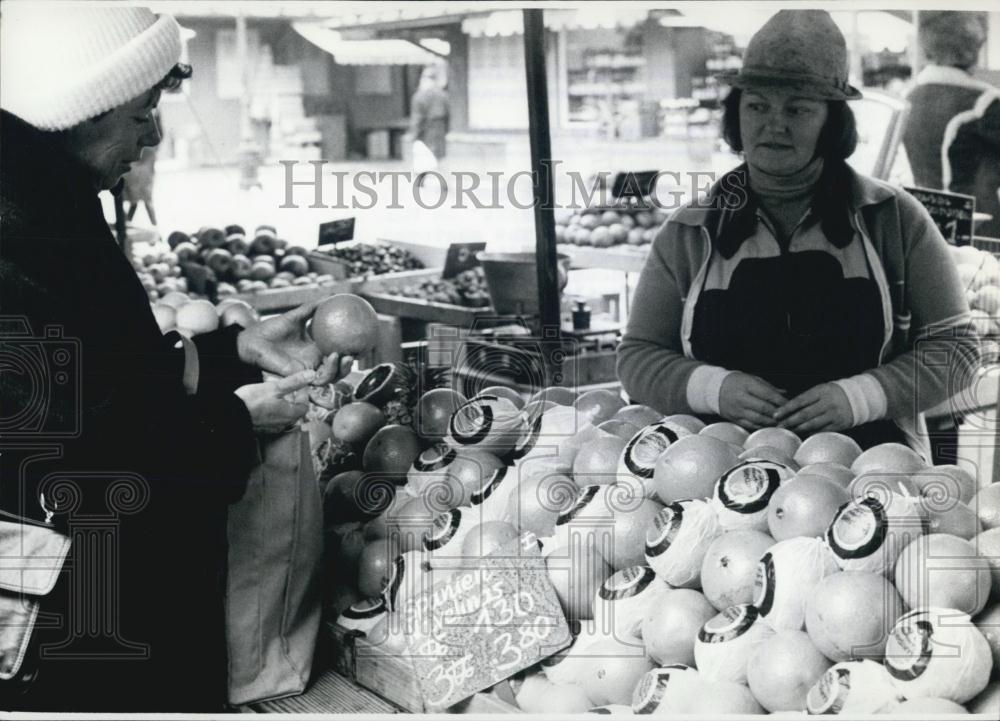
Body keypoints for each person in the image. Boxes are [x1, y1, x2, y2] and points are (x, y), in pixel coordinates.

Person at [0, 6, 351, 711]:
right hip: (84, 641)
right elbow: (93, 463)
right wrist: (232, 419)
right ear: (84, 110)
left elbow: (114, 379)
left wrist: (232, 352)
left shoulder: (50, 210)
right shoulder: (23, 244)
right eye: (142, 112)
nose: (155, 134)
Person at [617, 10, 981, 460]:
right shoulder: (689, 232)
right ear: (736, 115)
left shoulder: (895, 220)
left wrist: (861, 396)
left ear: (832, 123)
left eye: (798, 109)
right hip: (718, 475)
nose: (775, 124)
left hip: (867, 472)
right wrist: (713, 387)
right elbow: (637, 356)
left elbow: (959, 352)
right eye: (757, 106)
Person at [902, 11, 1000, 238]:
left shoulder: (909, 97)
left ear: (927, 49)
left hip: (925, 221)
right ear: (974, 49)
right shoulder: (983, 103)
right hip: (979, 227)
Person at [410, 65, 449, 187]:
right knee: (439, 158)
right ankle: (443, 184)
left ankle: (419, 183)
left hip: (425, 130)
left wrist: (414, 134)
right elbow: (448, 114)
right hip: (440, 128)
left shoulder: (419, 96)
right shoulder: (443, 95)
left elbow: (417, 118)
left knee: (422, 157)